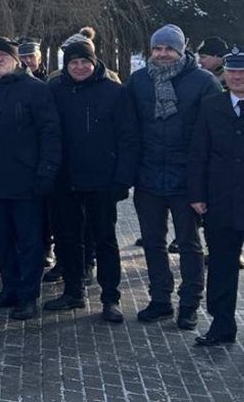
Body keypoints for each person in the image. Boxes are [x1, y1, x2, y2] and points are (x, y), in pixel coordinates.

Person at [125, 24, 220, 328]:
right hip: (148, 177)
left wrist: (204, 183)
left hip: (186, 179)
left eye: (169, 48)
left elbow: (212, 134)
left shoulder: (203, 82)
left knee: (190, 244)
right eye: (157, 48)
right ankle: (160, 299)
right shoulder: (138, 81)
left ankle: (190, 303)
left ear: (181, 50)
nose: (163, 54)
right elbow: (128, 129)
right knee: (152, 242)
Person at [0, 38, 61, 320]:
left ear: (16, 59)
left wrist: (46, 171)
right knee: (0, 239)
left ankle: (28, 295)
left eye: (3, 55)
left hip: (25, 179)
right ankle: (9, 288)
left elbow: (50, 133)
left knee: (29, 241)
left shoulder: (35, 90)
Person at [45, 36, 139, 322]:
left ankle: (110, 298)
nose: (79, 66)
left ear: (94, 61)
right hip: (66, 179)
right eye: (73, 62)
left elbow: (128, 137)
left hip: (102, 180)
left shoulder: (114, 91)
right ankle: (74, 291)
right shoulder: (54, 90)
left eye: (84, 61)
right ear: (66, 65)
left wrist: (122, 179)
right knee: (69, 238)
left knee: (105, 240)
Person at [188, 48, 244, 346]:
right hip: (221, 201)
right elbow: (199, 153)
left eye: (243, 72)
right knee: (222, 267)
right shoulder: (212, 106)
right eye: (232, 72)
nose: (237, 77)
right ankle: (222, 326)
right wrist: (196, 194)